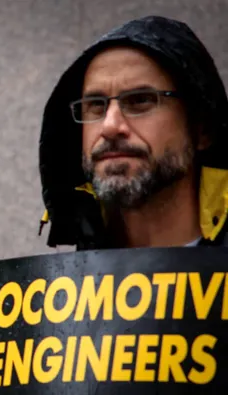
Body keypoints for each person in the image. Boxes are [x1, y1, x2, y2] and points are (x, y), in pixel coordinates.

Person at [38, 16, 228, 249]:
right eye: (96, 105)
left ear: (202, 129)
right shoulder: (61, 283)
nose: (110, 126)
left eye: (140, 100)